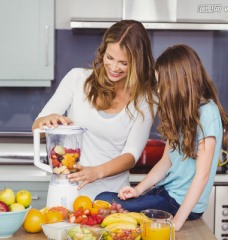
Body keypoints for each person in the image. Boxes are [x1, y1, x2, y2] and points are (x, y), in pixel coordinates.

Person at [95, 44, 228, 231]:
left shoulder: (208, 113)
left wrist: (176, 223)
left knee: (102, 201)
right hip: (166, 194)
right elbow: (165, 162)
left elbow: (202, 175)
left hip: (179, 205)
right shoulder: (181, 113)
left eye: (162, 84)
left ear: (178, 82)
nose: (159, 90)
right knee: (102, 200)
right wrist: (138, 189)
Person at [32, 20, 157, 199]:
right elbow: (36, 128)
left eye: (124, 63)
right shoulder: (77, 79)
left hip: (114, 198)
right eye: (110, 58)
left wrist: (96, 172)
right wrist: (48, 121)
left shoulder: (146, 99)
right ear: (103, 52)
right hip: (68, 193)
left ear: (138, 63)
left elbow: (131, 155)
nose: (114, 68)